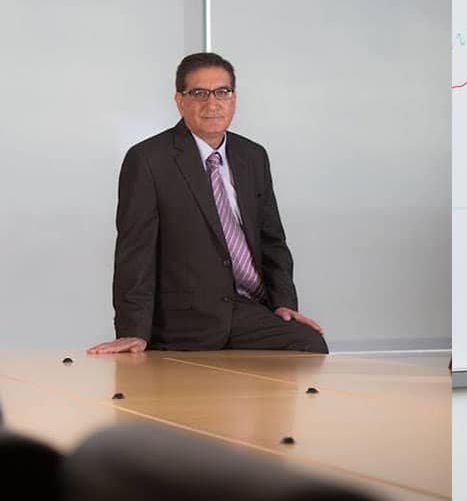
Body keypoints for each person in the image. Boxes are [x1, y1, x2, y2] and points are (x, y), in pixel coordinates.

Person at [88, 53, 327, 354]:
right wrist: (133, 331)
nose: (212, 104)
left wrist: (284, 303)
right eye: (199, 93)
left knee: (307, 344)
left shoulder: (252, 156)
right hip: (185, 319)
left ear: (234, 99)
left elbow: (273, 241)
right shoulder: (149, 160)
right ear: (180, 100)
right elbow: (135, 253)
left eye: (222, 92)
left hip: (248, 309)